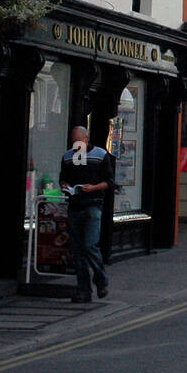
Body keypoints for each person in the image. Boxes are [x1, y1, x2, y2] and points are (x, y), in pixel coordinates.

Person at [59, 125, 116, 304]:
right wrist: (64, 186)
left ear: (86, 138)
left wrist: (93, 188)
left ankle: (101, 280)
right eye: (73, 141)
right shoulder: (68, 156)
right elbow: (63, 177)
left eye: (79, 141)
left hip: (93, 205)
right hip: (75, 205)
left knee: (89, 245)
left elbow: (109, 181)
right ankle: (84, 290)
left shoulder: (100, 155)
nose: (76, 144)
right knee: (77, 251)